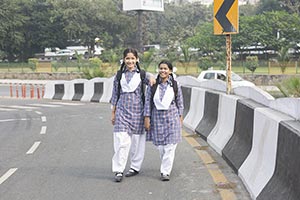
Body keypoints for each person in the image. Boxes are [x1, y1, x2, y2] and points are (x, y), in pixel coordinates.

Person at [110, 48, 153, 182]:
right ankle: (118, 170)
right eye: (127, 58)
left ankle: (135, 166)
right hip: (122, 111)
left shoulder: (142, 75)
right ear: (123, 60)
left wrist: (152, 78)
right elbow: (115, 95)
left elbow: (154, 82)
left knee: (137, 142)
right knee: (121, 141)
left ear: (137, 60)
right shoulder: (119, 76)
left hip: (138, 112)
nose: (130, 61)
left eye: (132, 58)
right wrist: (113, 112)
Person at [144, 60, 184, 181]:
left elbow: (180, 103)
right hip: (157, 119)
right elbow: (148, 103)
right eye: (161, 68)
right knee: (161, 147)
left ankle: (165, 172)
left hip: (172, 119)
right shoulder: (153, 85)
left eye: (165, 68)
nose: (163, 71)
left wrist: (180, 119)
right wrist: (147, 118)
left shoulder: (176, 85)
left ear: (170, 71)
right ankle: (165, 166)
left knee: (170, 146)